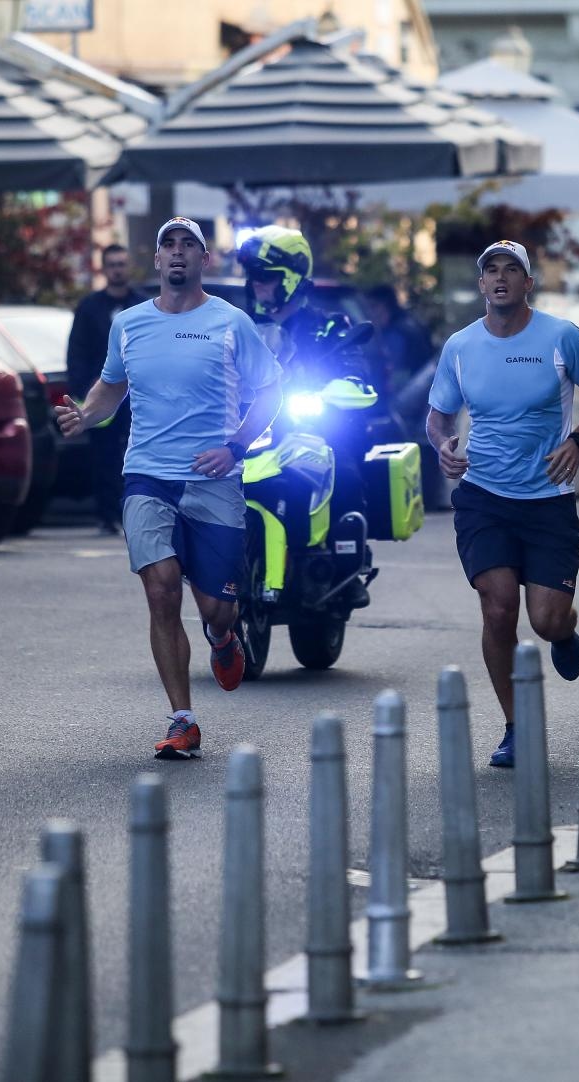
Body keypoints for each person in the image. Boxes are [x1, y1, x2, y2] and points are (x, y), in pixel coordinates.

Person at [56, 217, 284, 760]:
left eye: (188, 245)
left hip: (213, 478)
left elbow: (272, 390)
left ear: (204, 259)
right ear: (157, 260)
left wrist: (236, 447)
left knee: (216, 609)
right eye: (168, 245)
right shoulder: (129, 324)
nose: (178, 252)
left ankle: (222, 637)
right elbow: (111, 387)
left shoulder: (231, 322)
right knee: (161, 591)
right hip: (147, 475)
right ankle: (183, 719)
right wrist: (86, 416)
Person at [426, 240, 579, 768]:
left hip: (547, 499)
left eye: (511, 270)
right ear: (481, 284)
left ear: (528, 283)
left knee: (545, 620)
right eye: (491, 270)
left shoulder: (560, 337)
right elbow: (438, 415)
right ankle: (518, 727)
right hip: (483, 497)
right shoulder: (461, 346)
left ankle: (564, 631)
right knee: (497, 607)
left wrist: (578, 440)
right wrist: (443, 445)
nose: (500, 278)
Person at [236, 225, 375, 604]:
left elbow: (355, 370)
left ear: (292, 278)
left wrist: (344, 385)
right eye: (253, 276)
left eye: (266, 276)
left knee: (344, 470)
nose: (257, 284)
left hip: (312, 427)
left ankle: (347, 567)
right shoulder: (242, 328)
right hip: (254, 427)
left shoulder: (330, 325)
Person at [67, 243, 147, 534]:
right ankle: (107, 516)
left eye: (121, 264)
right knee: (104, 456)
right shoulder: (89, 307)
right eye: (112, 264)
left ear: (129, 267)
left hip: (138, 396)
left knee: (136, 453)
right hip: (102, 394)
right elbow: (77, 352)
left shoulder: (143, 306)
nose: (117, 270)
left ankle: (135, 512)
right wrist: (84, 390)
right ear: (104, 268)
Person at [360, 284, 435, 402]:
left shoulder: (396, 335)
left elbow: (395, 375)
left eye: (373, 306)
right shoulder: (411, 323)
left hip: (409, 397)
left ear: (386, 306)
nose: (370, 313)